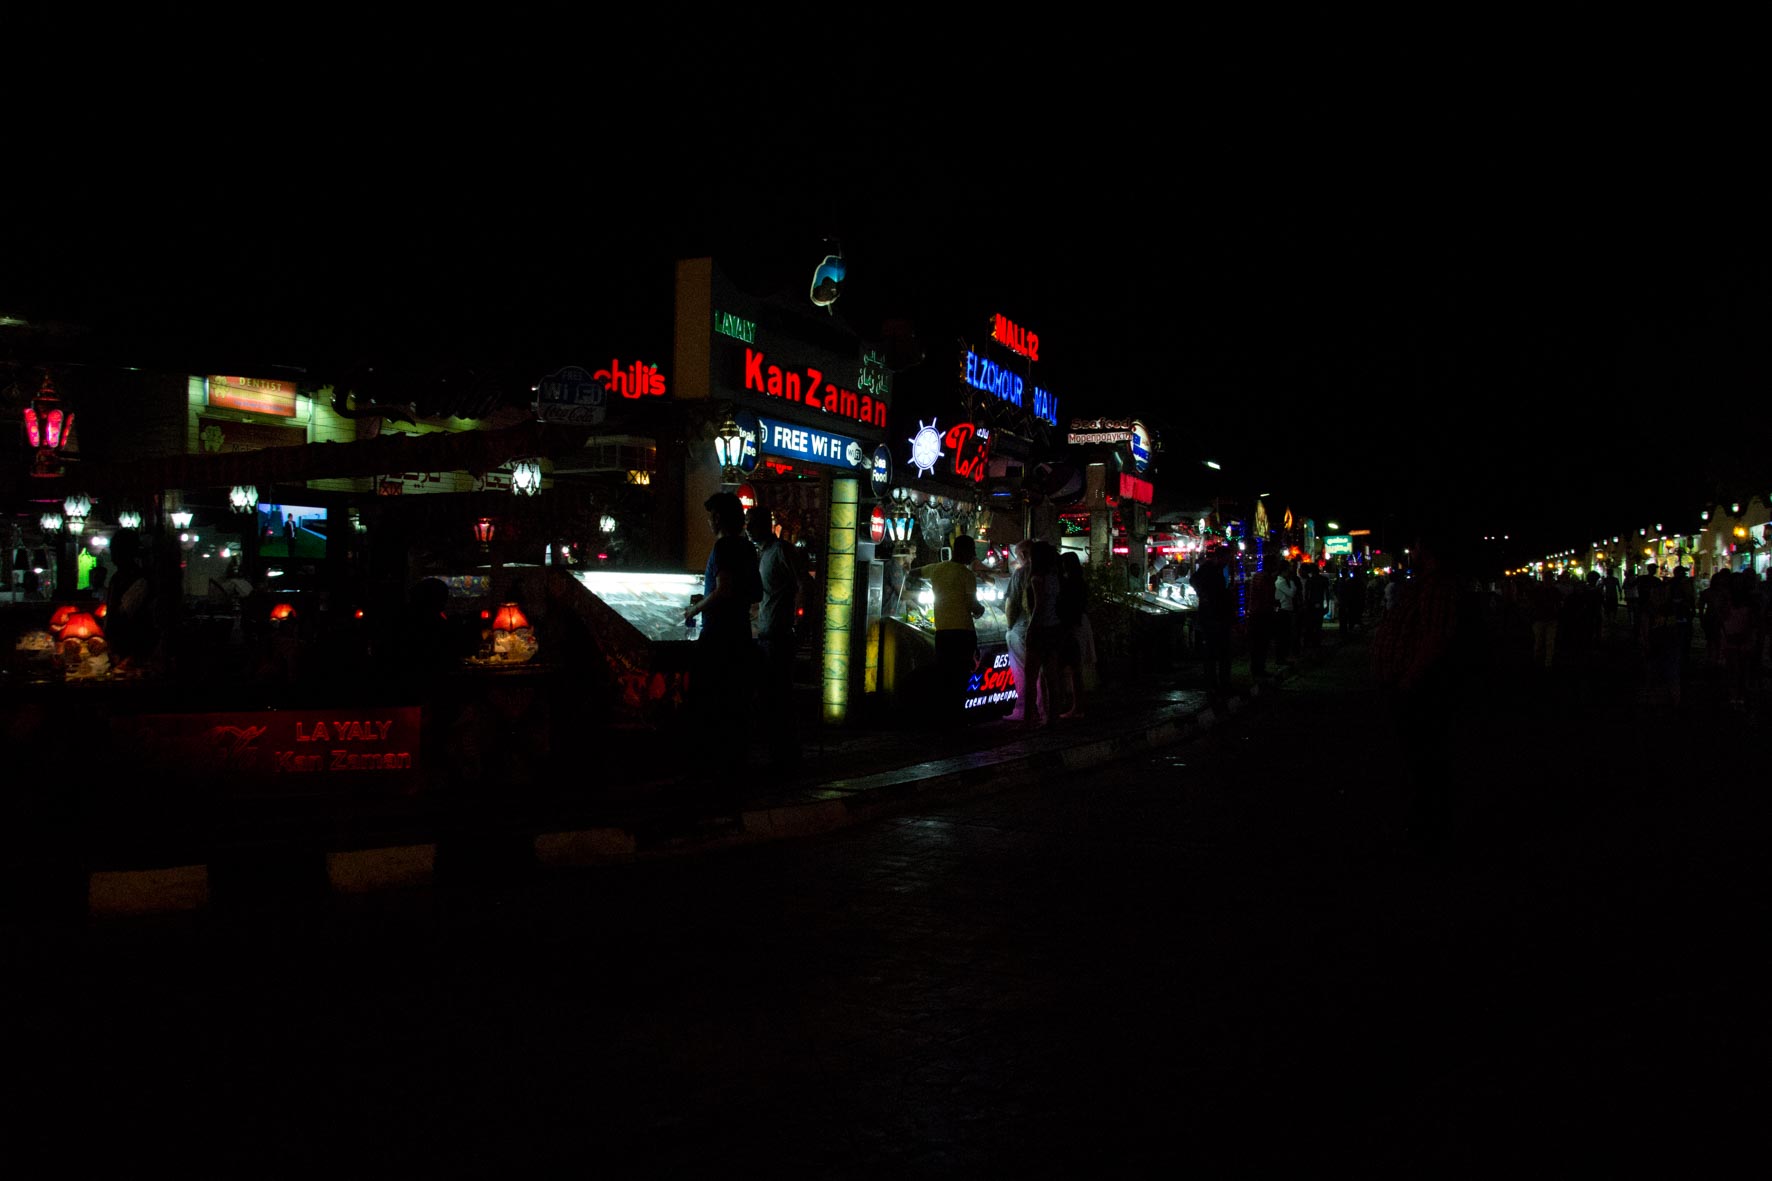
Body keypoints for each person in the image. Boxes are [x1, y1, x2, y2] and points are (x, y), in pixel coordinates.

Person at [683, 493, 761, 779]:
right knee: (735, 702)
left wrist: (695, 609)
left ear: (718, 518)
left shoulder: (724, 547)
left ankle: (710, 765)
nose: (709, 521)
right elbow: (755, 592)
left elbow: (723, 588)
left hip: (718, 636)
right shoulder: (747, 548)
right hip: (740, 634)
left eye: (711, 515)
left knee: (711, 700)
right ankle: (734, 763)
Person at [747, 504, 801, 770]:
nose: (747, 527)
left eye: (751, 522)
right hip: (766, 636)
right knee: (769, 697)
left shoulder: (780, 551)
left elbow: (803, 585)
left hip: (779, 636)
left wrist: (801, 624)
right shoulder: (763, 553)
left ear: (764, 524)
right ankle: (779, 754)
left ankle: (785, 756)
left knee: (778, 698)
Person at [924, 534, 986, 726]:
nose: (973, 555)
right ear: (963, 551)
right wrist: (981, 609)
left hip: (942, 632)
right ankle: (957, 718)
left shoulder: (937, 569)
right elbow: (972, 604)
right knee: (960, 676)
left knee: (945, 675)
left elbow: (914, 573)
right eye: (972, 550)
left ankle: (945, 718)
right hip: (963, 633)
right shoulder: (967, 575)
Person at [1021, 540, 1063, 726]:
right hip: (1054, 628)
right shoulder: (1054, 577)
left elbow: (1039, 606)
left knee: (1030, 676)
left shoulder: (1037, 579)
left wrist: (1030, 628)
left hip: (1040, 630)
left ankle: (1029, 718)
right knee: (1051, 676)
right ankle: (1053, 717)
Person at [1190, 546, 1235, 702]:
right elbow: (1194, 580)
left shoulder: (1220, 570)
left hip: (1219, 616)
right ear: (1221, 557)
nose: (1229, 560)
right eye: (1228, 557)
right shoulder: (1210, 568)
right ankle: (1214, 683)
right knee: (1214, 652)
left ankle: (1221, 682)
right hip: (1212, 617)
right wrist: (1203, 596)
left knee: (1222, 653)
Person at [1001, 540, 1034, 722]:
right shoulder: (1048, 572)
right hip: (1041, 628)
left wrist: (1009, 627)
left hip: (1020, 628)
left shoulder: (1021, 573)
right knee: (1040, 672)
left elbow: (1011, 603)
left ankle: (1022, 710)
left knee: (1022, 672)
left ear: (1022, 554)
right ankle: (1042, 709)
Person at [1055, 551, 1090, 718]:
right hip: (1079, 624)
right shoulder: (1080, 582)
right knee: (1075, 669)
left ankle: (1073, 706)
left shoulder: (1069, 584)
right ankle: (1077, 706)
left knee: (1069, 668)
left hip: (1072, 627)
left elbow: (1069, 608)